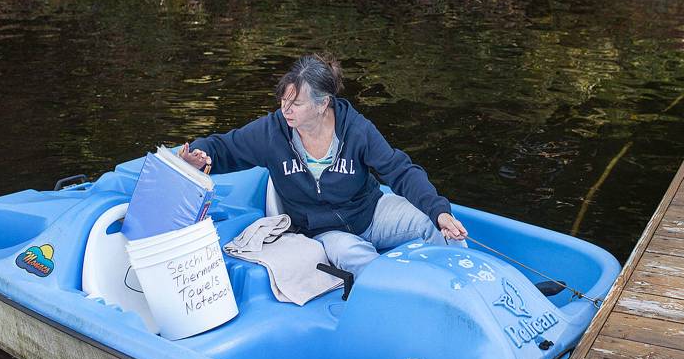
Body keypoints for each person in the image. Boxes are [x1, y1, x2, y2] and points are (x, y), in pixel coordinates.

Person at [178, 54, 467, 277]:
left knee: (434, 223)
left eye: (296, 104)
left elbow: (399, 171)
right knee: (357, 257)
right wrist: (199, 155)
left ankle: (461, 288)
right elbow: (225, 147)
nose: (285, 110)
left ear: (322, 104)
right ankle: (399, 303)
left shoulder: (356, 129)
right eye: (283, 100)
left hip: (370, 212)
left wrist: (438, 210)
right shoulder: (272, 132)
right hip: (323, 230)